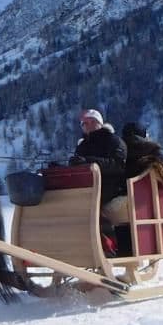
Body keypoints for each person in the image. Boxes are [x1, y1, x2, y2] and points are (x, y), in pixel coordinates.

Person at [67, 109, 126, 256]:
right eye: (84, 123)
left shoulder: (113, 140)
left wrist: (89, 162)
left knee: (89, 204)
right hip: (87, 186)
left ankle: (109, 245)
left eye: (91, 122)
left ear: (99, 123)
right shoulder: (82, 145)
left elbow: (118, 165)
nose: (87, 125)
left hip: (111, 186)